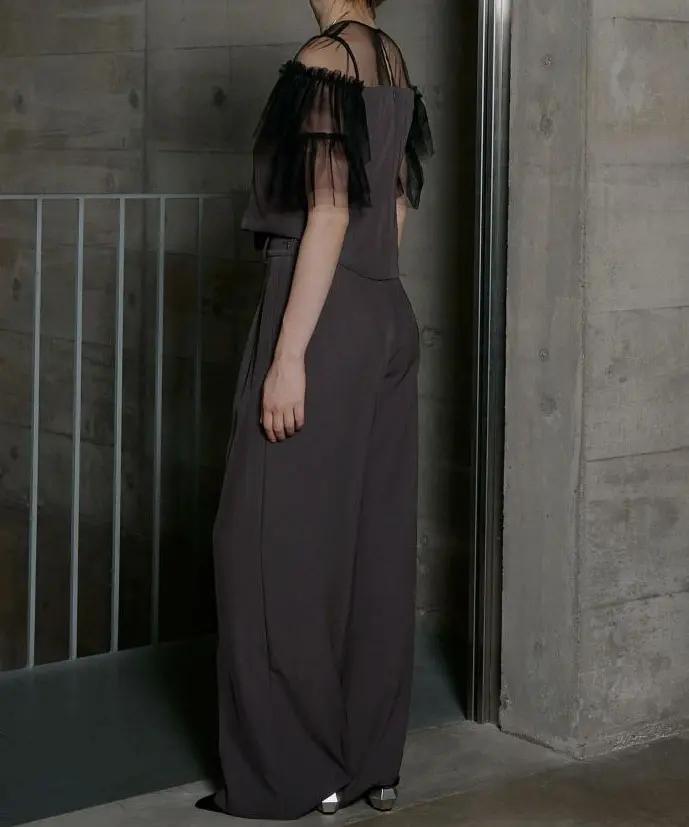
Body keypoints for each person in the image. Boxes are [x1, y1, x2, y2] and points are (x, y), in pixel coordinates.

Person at [197, 0, 433, 819]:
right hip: (384, 310)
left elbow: (327, 211)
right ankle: (372, 762)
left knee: (269, 547)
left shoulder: (325, 59)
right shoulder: (390, 59)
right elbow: (394, 204)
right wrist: (372, 299)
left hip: (319, 314)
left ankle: (299, 770)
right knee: (371, 545)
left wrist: (290, 353)